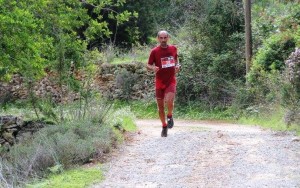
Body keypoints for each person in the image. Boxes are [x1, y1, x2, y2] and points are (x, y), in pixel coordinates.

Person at [147, 30, 180, 137]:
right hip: (159, 82)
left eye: (165, 38)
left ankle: (169, 115)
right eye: (161, 38)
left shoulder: (173, 48)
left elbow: (176, 59)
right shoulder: (154, 51)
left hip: (170, 80)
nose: (163, 40)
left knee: (169, 100)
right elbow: (148, 65)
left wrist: (178, 66)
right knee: (160, 108)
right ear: (158, 39)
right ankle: (164, 126)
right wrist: (153, 68)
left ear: (168, 38)